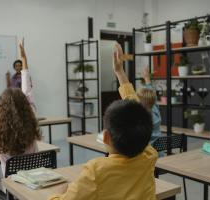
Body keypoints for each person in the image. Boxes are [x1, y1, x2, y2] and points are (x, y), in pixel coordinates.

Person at [48, 42, 157, 200]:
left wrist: (57, 194)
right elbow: (135, 108)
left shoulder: (96, 171)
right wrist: (120, 72)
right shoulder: (149, 155)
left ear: (105, 137)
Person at [0, 39, 40, 176]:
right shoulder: (31, 118)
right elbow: (27, 88)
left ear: (0, 109)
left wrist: (24, 58)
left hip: (13, 187)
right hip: (33, 184)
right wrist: (24, 56)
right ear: (26, 105)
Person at [139, 66, 162, 143]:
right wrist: (146, 77)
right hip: (160, 152)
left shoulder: (143, 117)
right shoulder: (155, 109)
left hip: (147, 152)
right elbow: (153, 94)